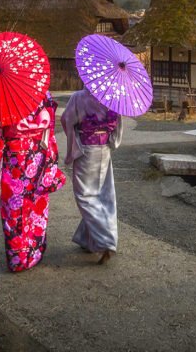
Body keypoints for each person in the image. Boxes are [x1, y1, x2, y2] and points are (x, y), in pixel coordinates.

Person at [0, 92, 65, 272]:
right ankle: (35, 253)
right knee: (37, 210)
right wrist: (51, 162)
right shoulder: (43, 94)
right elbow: (48, 130)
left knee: (14, 212)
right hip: (38, 161)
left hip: (15, 166)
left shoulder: (3, 97)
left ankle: (18, 259)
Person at [61, 88, 123, 264]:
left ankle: (106, 240)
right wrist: (111, 141)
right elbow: (117, 126)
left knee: (85, 195)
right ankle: (87, 240)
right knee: (103, 194)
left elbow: (66, 120)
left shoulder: (79, 97)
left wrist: (74, 141)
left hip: (86, 151)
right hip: (104, 150)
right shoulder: (113, 96)